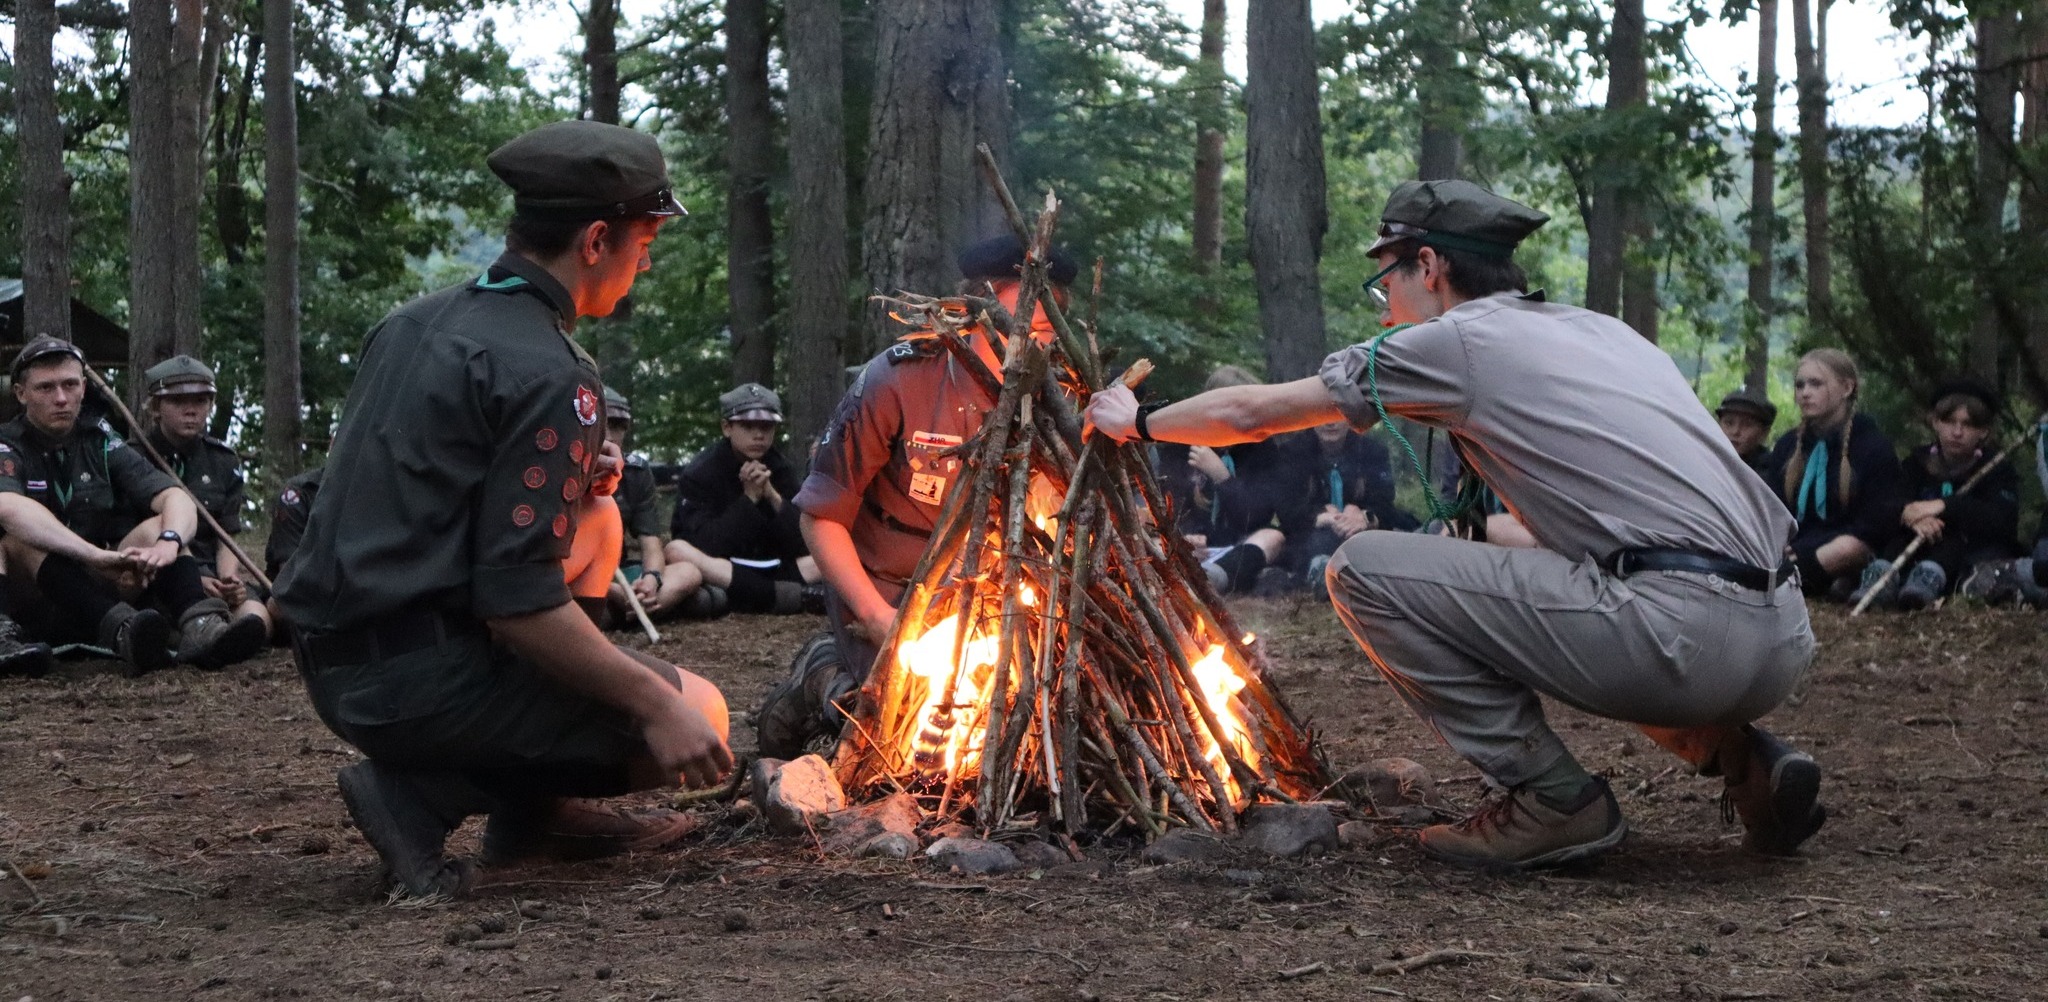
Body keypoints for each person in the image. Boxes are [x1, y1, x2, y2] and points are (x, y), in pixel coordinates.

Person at [1085, 179, 1825, 870]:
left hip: (1681, 638)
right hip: (1782, 629)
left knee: (1364, 570)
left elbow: (1249, 414)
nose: (1385, 307)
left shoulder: (1457, 340)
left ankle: (1552, 800)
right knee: (1535, 589)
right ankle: (1746, 758)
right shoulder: (1602, 331)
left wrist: (1138, 420)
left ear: (1429, 265)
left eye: (1388, 281)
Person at [274, 120, 733, 898]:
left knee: (597, 521)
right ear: (595, 240)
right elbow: (516, 604)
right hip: (413, 679)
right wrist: (657, 703)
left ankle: (540, 814)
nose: (647, 260)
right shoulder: (553, 370)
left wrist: (571, 478)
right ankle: (422, 797)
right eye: (645, 240)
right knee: (704, 713)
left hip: (334, 655)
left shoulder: (413, 322)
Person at [753, 235, 1077, 760]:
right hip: (887, 585)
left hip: (992, 596)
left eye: (1038, 332)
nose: (1020, 346)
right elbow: (822, 516)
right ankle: (821, 674)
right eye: (1004, 325)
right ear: (968, 311)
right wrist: (875, 614)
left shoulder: (1061, 400)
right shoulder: (903, 378)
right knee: (898, 729)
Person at [0, 337, 266, 674]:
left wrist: (169, 543)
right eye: (45, 388)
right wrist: (95, 555)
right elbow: (8, 506)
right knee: (19, 540)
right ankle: (117, 630)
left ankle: (202, 627)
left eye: (69, 385)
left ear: (84, 387)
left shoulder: (100, 439)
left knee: (159, 526)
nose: (61, 398)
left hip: (92, 586)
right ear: (21, 394)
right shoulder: (7, 443)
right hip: (34, 595)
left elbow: (175, 497)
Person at [136, 355, 274, 640]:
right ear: (156, 408)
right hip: (154, 575)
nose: (191, 411)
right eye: (177, 402)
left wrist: (228, 580)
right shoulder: (133, 457)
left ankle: (224, 639)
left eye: (200, 401)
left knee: (257, 619)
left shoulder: (223, 460)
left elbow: (226, 535)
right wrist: (195, 580)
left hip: (212, 573)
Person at [660, 383, 821, 617]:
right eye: (747, 426)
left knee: (830, 549)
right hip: (725, 568)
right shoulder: (701, 472)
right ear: (727, 427)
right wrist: (749, 500)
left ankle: (752, 596)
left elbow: (804, 541)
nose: (759, 435)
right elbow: (702, 544)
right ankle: (785, 596)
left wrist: (772, 496)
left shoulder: (780, 467)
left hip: (776, 568)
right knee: (677, 550)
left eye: (767, 426)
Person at [1857, 379, 2018, 610]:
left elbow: (2003, 521)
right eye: (1949, 421)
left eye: (1968, 424)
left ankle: (1927, 582)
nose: (1957, 432)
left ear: (1983, 431)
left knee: (1955, 540)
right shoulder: (1916, 463)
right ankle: (1881, 578)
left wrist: (1945, 506)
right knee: (1899, 538)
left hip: (1966, 554)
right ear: (1935, 422)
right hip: (1913, 546)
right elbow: (1883, 505)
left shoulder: (1997, 468)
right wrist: (1910, 515)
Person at [1763, 349, 1904, 600]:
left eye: (1816, 384)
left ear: (1847, 388)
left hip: (1846, 547)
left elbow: (1876, 524)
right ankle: (1797, 580)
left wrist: (1810, 549)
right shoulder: (1787, 445)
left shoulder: (1872, 446)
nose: (1805, 392)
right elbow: (1773, 509)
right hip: (1794, 547)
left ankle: (1786, 584)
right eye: (1800, 385)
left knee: (1847, 548)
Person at [1153, 365, 1292, 594]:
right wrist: (1185, 537)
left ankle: (1213, 579)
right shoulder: (1179, 444)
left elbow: (1257, 516)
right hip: (1188, 545)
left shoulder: (1261, 448)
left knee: (1273, 537)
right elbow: (1168, 503)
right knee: (1154, 544)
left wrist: (1222, 477)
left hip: (1235, 548)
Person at [1276, 420, 1418, 592]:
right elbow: (1286, 510)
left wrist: (1365, 517)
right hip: (1313, 534)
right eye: (1322, 415)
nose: (1330, 423)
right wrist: (1321, 516)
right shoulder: (1292, 452)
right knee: (1308, 543)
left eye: (1337, 415)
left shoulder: (1372, 451)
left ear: (1350, 419)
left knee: (1406, 528)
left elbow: (1385, 502)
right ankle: (1324, 572)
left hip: (1362, 533)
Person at [596, 388, 677, 625]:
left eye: (618, 425)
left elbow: (651, 542)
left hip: (618, 572)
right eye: (602, 424)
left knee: (687, 573)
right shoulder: (559, 468)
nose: (610, 436)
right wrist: (610, 589)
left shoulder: (635, 472)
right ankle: (634, 611)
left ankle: (638, 606)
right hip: (573, 575)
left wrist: (651, 580)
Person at [1715, 386, 1777, 477]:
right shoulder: (1706, 457)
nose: (1735, 431)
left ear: (1764, 432)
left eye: (1747, 425)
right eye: (1729, 423)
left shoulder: (1771, 472)